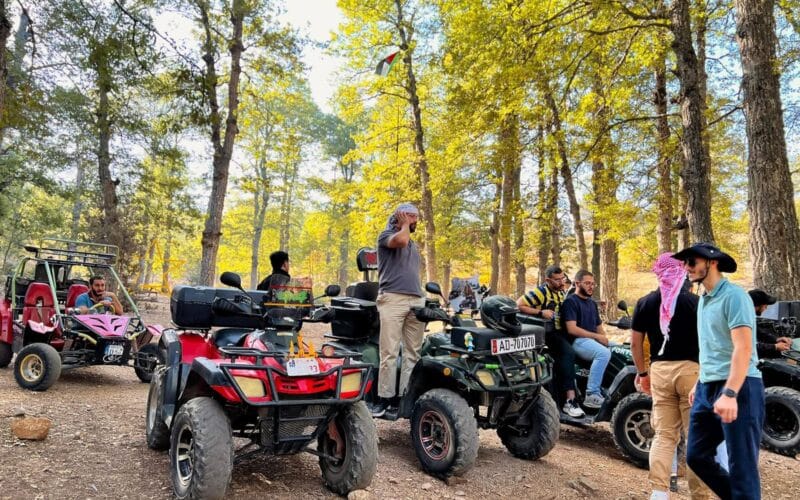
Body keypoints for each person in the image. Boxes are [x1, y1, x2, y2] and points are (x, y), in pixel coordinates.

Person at [673, 242, 765, 500]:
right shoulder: (703, 300)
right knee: (697, 456)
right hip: (707, 387)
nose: (686, 268)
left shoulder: (735, 296)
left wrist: (731, 392)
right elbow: (711, 347)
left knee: (742, 466)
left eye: (691, 262)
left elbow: (743, 348)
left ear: (712, 263)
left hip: (740, 386)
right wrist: (699, 381)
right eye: (685, 263)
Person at [630, 253, 710, 500]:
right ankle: (700, 495)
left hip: (660, 371)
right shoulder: (697, 303)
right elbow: (708, 342)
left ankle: (658, 492)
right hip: (692, 372)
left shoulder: (645, 302)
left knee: (664, 434)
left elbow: (635, 343)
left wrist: (643, 373)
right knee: (696, 434)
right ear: (682, 271)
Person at [371, 203, 425, 417]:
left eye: (416, 218)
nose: (415, 221)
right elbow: (400, 240)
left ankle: (405, 397)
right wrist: (403, 224)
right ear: (402, 217)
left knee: (413, 353)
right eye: (412, 217)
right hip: (392, 298)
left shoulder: (412, 244)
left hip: (415, 300)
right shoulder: (387, 235)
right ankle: (385, 399)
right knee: (390, 352)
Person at [517, 265, 584, 418]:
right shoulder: (541, 293)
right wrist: (540, 312)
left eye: (563, 279)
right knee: (567, 353)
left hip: (561, 330)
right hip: (547, 332)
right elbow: (519, 304)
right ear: (548, 280)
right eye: (557, 280)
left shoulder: (561, 291)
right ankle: (570, 400)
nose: (561, 282)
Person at [561, 270, 611, 408]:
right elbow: (572, 329)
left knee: (618, 350)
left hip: (591, 341)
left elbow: (598, 327)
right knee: (603, 353)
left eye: (593, 284)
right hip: (577, 341)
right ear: (577, 283)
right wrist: (597, 337)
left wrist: (604, 339)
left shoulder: (591, 303)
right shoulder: (570, 302)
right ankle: (591, 394)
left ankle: (606, 388)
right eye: (587, 283)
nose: (591, 286)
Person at [748, 289, 792, 358]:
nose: (766, 308)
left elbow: (759, 332)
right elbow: (750, 345)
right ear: (758, 305)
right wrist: (775, 346)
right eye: (765, 305)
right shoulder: (743, 319)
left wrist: (776, 339)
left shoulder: (749, 316)